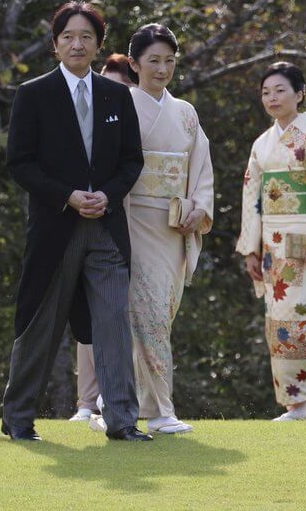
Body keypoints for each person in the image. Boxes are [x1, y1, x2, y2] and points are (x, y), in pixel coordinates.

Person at [2, 0, 150, 442]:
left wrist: (108, 194)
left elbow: (131, 160)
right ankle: (18, 419)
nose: (77, 44)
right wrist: (67, 196)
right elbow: (20, 163)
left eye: (86, 36)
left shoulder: (117, 95)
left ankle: (122, 421)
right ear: (55, 44)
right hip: (55, 227)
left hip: (106, 227)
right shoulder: (34, 94)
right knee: (40, 326)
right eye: (68, 36)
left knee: (113, 326)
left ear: (99, 43)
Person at [235, 62, 306, 422]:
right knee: (276, 320)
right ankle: (299, 402)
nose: (272, 97)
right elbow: (252, 197)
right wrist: (251, 247)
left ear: (300, 94)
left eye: (281, 90)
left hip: (303, 235)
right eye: (266, 91)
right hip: (270, 239)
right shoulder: (261, 143)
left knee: (293, 317)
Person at [120, 23, 214, 434]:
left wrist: (200, 206)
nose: (162, 69)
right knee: (149, 314)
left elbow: (202, 168)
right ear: (135, 63)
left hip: (175, 225)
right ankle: (160, 410)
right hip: (134, 220)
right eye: (153, 61)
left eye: (169, 61)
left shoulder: (185, 112)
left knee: (161, 313)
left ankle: (122, 398)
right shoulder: (121, 105)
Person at [71, 52, 134, 423]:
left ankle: (134, 404)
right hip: (92, 213)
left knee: (123, 314)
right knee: (88, 311)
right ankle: (87, 400)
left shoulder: (136, 109)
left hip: (145, 220)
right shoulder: (84, 105)